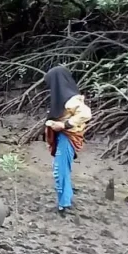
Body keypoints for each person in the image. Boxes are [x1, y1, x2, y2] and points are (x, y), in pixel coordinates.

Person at [44, 66, 92, 216]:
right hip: (64, 136)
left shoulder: (70, 99)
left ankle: (63, 204)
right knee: (64, 169)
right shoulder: (66, 97)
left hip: (67, 136)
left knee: (60, 170)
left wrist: (65, 124)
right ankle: (67, 199)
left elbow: (86, 113)